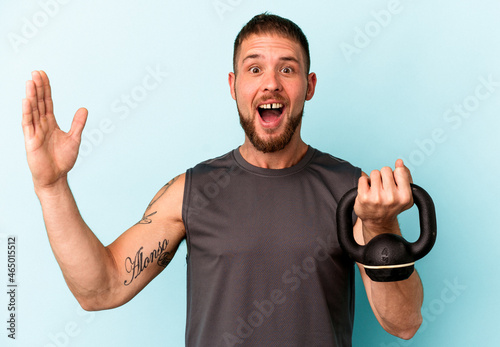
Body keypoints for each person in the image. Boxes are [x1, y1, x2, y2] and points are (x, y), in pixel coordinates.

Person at [22, 13, 423, 347]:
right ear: (234, 87)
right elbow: (100, 289)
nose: (271, 83)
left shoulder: (353, 193)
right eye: (254, 68)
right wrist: (52, 186)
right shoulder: (191, 191)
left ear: (309, 86)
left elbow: (403, 323)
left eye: (288, 68)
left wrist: (381, 224)